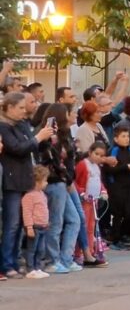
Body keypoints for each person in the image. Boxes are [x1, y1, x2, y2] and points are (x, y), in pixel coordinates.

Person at [1, 93, 55, 280]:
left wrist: (45, 138)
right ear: (8, 108)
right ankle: (8, 264)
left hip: (26, 178)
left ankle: (18, 261)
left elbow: (32, 146)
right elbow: (16, 148)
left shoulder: (23, 124)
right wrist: (38, 138)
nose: (24, 111)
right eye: (20, 108)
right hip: (12, 180)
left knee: (24, 223)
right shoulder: (4, 126)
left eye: (25, 108)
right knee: (12, 224)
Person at [35, 103, 82, 275]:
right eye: (72, 112)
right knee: (55, 223)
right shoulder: (50, 137)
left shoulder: (66, 135)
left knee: (74, 220)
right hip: (55, 182)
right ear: (64, 115)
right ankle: (51, 261)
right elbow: (53, 162)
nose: (76, 115)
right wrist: (66, 178)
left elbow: (69, 160)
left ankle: (65, 258)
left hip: (65, 182)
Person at [102, 128, 130, 249]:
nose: (126, 139)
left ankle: (122, 234)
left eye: (127, 136)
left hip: (129, 187)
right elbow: (109, 169)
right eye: (123, 136)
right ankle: (114, 239)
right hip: (116, 187)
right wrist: (125, 167)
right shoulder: (114, 151)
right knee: (118, 214)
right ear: (116, 139)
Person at [73, 142, 110, 265]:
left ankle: (90, 251)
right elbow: (76, 182)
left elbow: (99, 182)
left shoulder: (97, 167)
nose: (99, 157)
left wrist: (103, 191)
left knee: (91, 228)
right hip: (84, 202)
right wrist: (82, 193)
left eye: (101, 155)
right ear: (90, 152)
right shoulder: (83, 165)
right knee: (82, 227)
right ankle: (78, 253)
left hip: (94, 202)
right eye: (96, 154)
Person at [22, 165, 52, 279]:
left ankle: (38, 268)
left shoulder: (42, 195)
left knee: (41, 249)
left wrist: (46, 221)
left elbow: (44, 209)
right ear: (37, 181)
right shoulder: (29, 196)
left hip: (43, 227)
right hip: (34, 227)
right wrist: (29, 227)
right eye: (44, 180)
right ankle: (30, 269)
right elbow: (27, 213)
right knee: (32, 249)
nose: (46, 183)